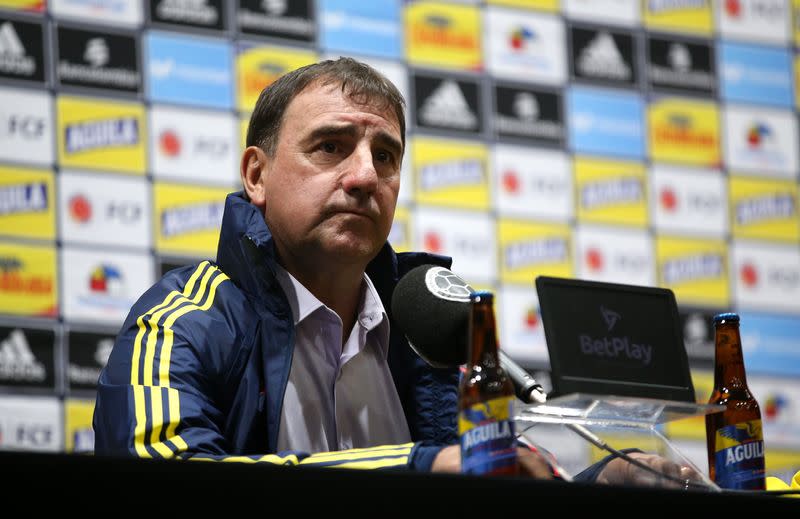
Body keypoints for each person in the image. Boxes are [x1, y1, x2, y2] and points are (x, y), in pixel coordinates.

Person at [93, 57, 693, 484]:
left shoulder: (430, 330)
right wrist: (418, 467)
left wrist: (597, 481)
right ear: (256, 175)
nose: (363, 176)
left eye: (385, 156)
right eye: (330, 146)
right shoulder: (181, 321)